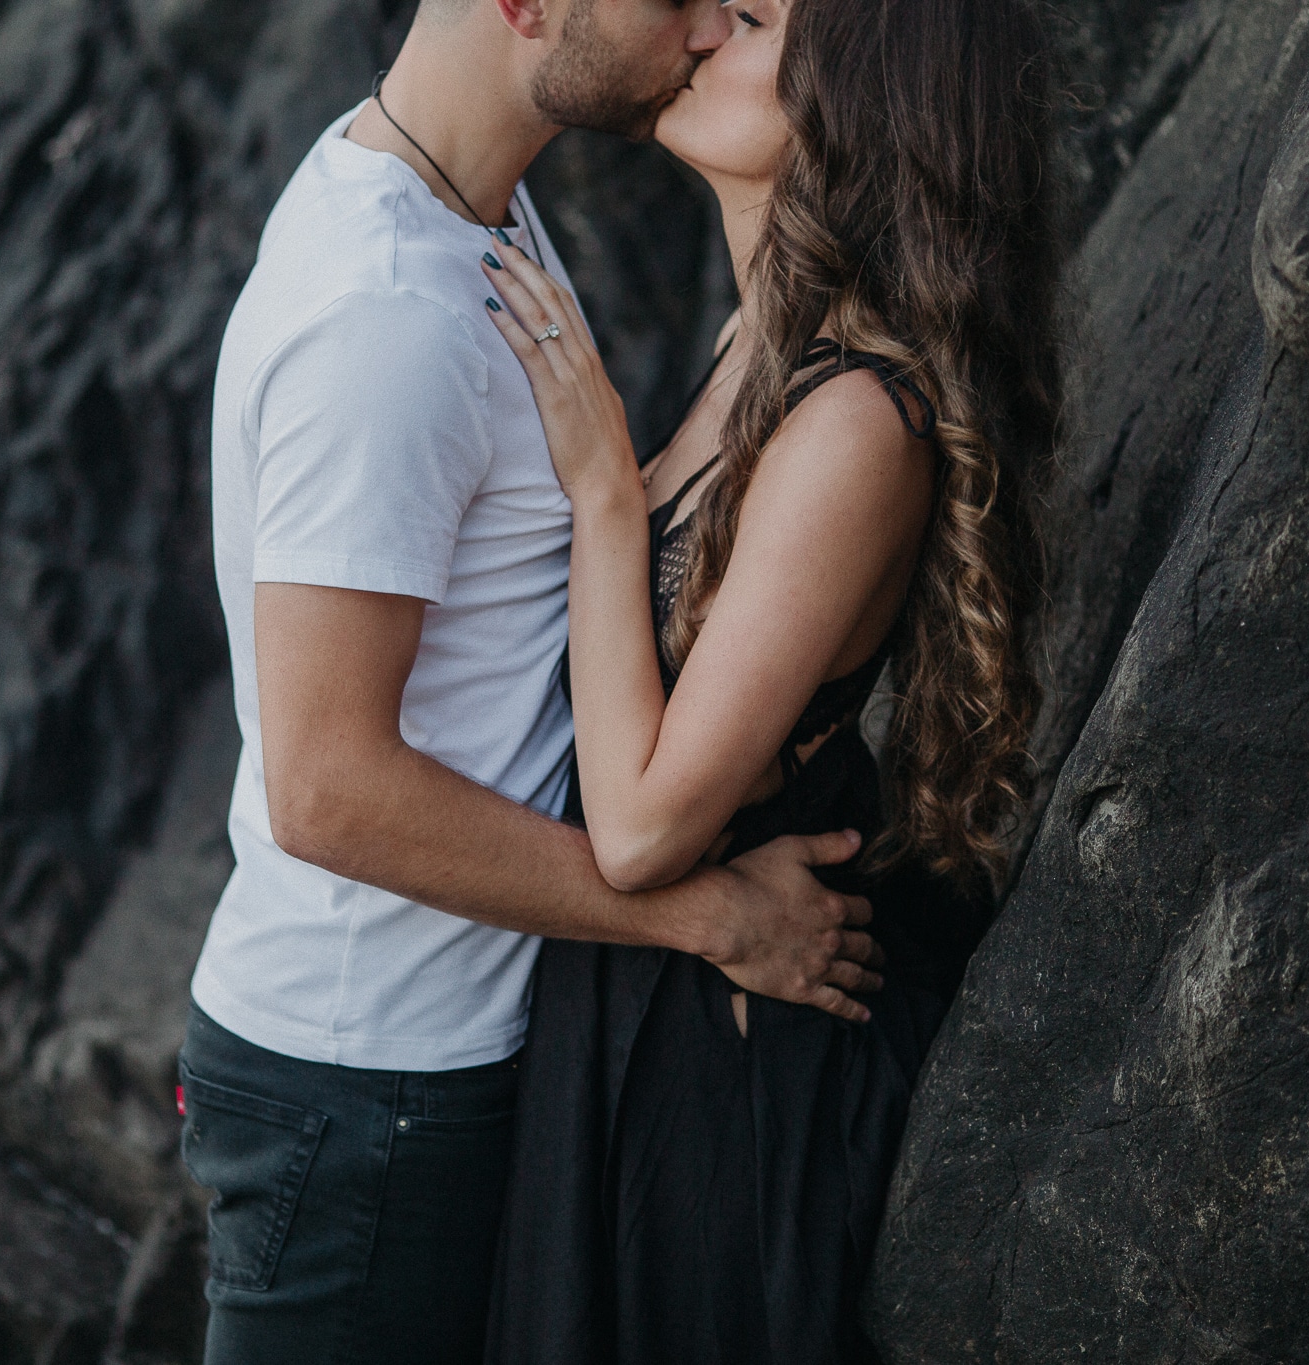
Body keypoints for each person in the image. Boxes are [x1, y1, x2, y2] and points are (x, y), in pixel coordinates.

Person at [177, 0, 893, 1361]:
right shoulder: (387, 318)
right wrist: (703, 916)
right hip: (366, 1084)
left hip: (425, 1063)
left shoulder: (458, 208)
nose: (699, 27)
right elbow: (326, 789)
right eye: (677, 0)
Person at [475, 0, 1063, 1360]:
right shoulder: (758, 351)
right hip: (639, 1005)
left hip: (722, 1075)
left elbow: (638, 830)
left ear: (852, 107)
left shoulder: (856, 420)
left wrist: (604, 497)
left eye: (741, 19)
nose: (691, 30)